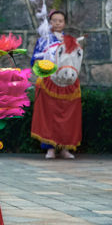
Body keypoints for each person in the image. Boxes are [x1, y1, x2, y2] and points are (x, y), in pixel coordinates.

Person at [30, 9, 80, 159]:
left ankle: (64, 148)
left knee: (67, 116)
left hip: (66, 84)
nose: (57, 23)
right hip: (48, 82)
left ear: (64, 23)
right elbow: (35, 60)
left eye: (60, 21)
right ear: (50, 22)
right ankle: (50, 148)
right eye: (54, 21)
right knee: (48, 116)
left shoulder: (70, 41)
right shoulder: (43, 40)